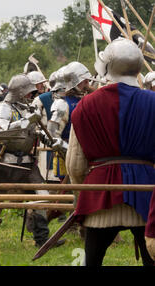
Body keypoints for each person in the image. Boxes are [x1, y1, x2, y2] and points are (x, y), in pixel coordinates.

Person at [67, 38, 155, 266]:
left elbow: (75, 166)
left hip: (101, 194)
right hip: (147, 195)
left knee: (92, 261)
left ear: (107, 66)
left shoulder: (84, 106)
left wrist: (82, 197)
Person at [0, 73, 65, 249]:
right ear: (18, 92)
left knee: (42, 198)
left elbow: (34, 132)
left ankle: (42, 240)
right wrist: (26, 121)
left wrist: (50, 140)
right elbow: (1, 132)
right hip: (5, 163)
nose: (31, 96)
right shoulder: (4, 108)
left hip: (27, 165)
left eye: (32, 93)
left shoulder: (28, 109)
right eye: (28, 93)